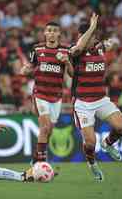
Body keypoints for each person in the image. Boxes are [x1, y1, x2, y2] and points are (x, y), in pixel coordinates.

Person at [70, 13, 122, 182]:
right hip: (82, 102)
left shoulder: (100, 47)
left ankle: (108, 144)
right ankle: (92, 164)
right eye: (86, 35)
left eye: (92, 36)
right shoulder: (75, 51)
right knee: (90, 143)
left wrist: (110, 42)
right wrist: (92, 26)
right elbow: (78, 48)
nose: (90, 39)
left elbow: (112, 43)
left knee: (121, 127)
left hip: (101, 99)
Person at [21, 21, 73, 164]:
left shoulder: (65, 50)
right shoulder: (37, 49)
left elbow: (72, 74)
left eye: (54, 30)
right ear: (45, 33)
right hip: (40, 93)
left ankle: (36, 158)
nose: (51, 32)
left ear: (59, 34)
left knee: (48, 130)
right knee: (45, 127)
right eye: (49, 30)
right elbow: (30, 65)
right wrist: (26, 69)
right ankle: (41, 164)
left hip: (56, 97)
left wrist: (67, 62)